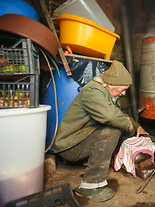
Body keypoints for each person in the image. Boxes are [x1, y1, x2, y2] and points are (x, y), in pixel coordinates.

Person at [54, 60, 148, 202]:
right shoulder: (93, 92)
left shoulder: (109, 93)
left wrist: (136, 126)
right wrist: (126, 124)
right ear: (110, 85)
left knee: (119, 128)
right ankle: (90, 185)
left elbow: (118, 113)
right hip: (69, 147)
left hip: (82, 139)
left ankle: (94, 159)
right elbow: (111, 116)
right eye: (122, 90)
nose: (123, 94)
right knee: (112, 131)